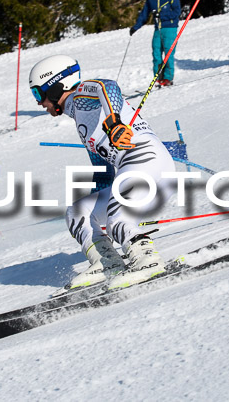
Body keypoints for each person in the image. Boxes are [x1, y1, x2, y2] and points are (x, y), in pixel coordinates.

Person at [29, 55, 176, 290]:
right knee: (78, 212)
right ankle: (107, 263)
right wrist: (99, 207)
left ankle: (148, 261)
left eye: (38, 93)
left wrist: (115, 122)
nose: (39, 103)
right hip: (135, 169)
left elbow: (106, 86)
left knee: (118, 216)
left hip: (146, 160)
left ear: (56, 86)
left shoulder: (80, 97)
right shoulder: (80, 118)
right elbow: (103, 169)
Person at [130, 0, 181, 87]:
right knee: (156, 53)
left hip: (169, 28)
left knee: (168, 53)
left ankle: (167, 78)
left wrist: (162, 14)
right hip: (158, 29)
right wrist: (136, 27)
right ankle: (158, 78)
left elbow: (177, 11)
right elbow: (144, 14)